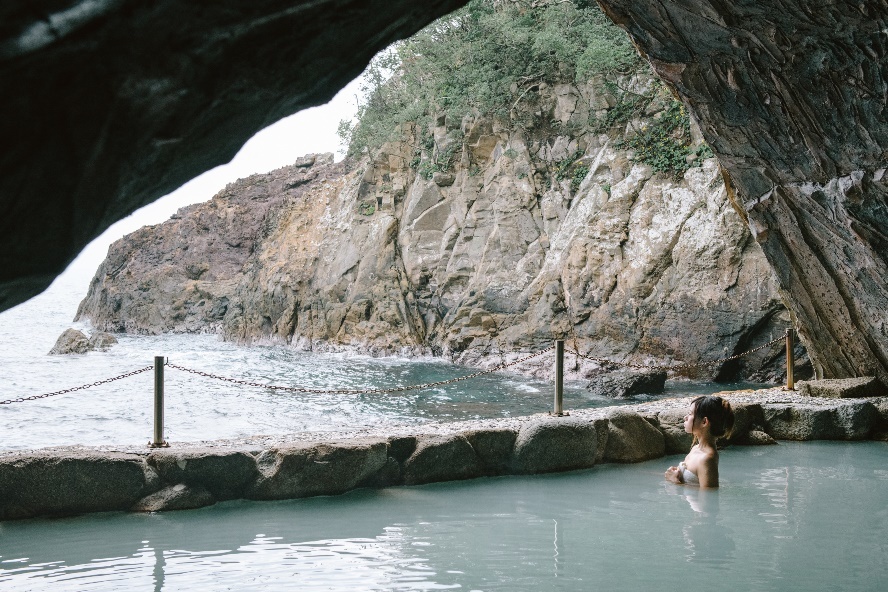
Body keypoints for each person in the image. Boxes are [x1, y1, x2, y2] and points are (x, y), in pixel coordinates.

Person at [664, 395, 734, 488]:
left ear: (704, 422)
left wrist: (675, 482)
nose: (685, 417)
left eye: (690, 413)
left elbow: (709, 500)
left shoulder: (707, 459)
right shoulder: (695, 449)